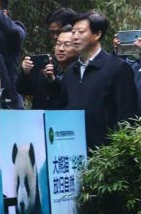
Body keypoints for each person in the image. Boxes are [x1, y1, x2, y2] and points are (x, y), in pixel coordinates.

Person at [49, 11, 139, 149]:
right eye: (73, 32)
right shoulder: (71, 71)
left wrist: (117, 151)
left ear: (97, 34)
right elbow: (63, 107)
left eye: (81, 32)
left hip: (105, 157)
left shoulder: (118, 67)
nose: (75, 37)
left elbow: (127, 115)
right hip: (73, 152)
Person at [19, 26, 78, 110]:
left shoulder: (79, 72)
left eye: (67, 45)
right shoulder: (48, 68)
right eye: (58, 44)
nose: (61, 49)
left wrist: (52, 80)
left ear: (78, 48)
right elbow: (23, 90)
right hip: (39, 120)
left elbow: (67, 97)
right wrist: (25, 73)